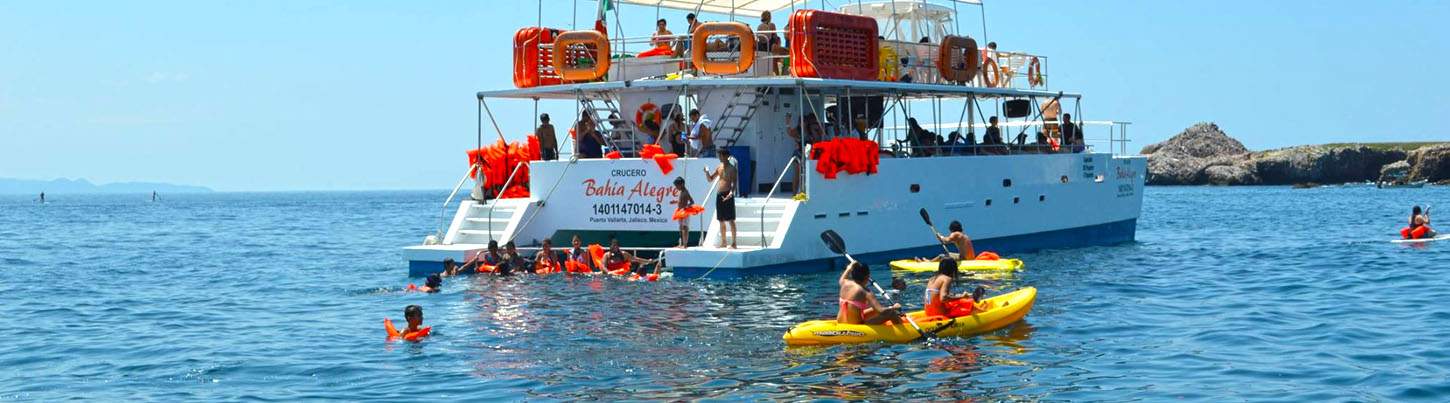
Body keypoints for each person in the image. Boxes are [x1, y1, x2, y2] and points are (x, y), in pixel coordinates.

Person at [837, 262, 903, 325]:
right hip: (857, 325)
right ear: (868, 276)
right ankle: (903, 329)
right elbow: (881, 311)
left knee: (874, 309)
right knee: (891, 313)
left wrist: (849, 267)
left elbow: (843, 277)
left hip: (840, 321)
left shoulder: (844, 283)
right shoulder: (865, 292)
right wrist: (894, 307)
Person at [924, 258, 990, 318]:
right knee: (968, 303)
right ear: (952, 269)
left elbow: (937, 296)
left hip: (929, 314)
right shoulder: (946, 279)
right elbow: (943, 298)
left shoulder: (932, 279)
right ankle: (986, 314)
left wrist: (961, 296)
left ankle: (981, 310)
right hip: (941, 315)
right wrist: (962, 296)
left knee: (959, 301)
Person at [704, 148, 738, 248]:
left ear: (727, 156)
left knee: (731, 220)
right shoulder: (719, 167)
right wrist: (706, 172)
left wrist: (731, 193)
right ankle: (724, 242)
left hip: (728, 194)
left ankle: (734, 242)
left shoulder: (732, 169)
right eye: (719, 156)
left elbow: (735, 183)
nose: (720, 157)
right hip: (720, 194)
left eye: (721, 156)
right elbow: (710, 179)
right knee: (721, 220)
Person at [674, 177, 695, 248]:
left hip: (685, 211)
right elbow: (681, 201)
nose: (676, 187)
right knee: (680, 227)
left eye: (677, 186)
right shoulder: (681, 192)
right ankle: (681, 243)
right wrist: (675, 202)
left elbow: (692, 201)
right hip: (680, 211)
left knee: (685, 227)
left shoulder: (686, 192)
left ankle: (685, 244)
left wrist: (687, 206)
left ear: (682, 184)